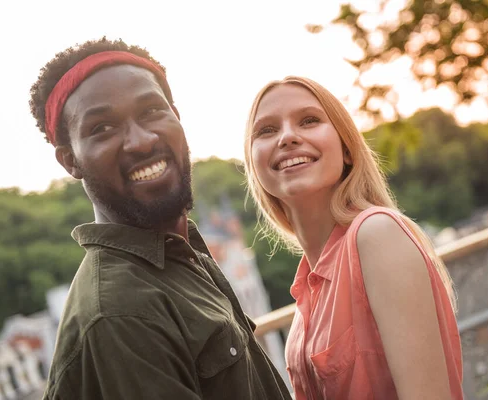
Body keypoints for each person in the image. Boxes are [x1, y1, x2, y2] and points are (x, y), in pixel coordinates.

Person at [29, 37, 292, 400]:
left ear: (176, 116)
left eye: (151, 111)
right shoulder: (120, 315)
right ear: (70, 160)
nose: (140, 141)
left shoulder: (180, 256)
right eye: (102, 128)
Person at [243, 76, 463, 399]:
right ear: (254, 163)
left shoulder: (376, 234)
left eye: (309, 120)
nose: (288, 137)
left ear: (346, 149)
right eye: (267, 130)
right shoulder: (306, 299)